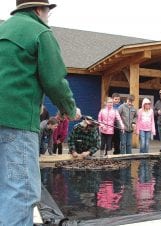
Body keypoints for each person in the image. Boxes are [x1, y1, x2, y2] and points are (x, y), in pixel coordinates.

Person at [0, 1, 81, 225]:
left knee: (3, 189)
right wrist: (70, 109)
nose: (48, 17)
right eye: (48, 12)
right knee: (21, 192)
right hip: (17, 123)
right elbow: (54, 81)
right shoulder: (40, 32)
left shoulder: (3, 29)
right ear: (38, 10)